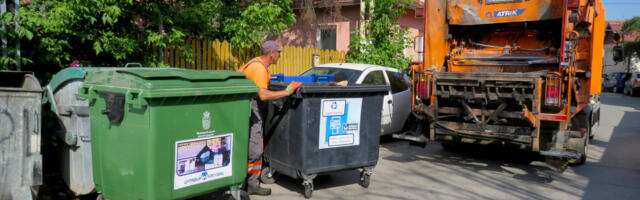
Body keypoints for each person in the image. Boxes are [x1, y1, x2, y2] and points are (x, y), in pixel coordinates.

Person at [238, 40, 302, 196]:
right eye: (278, 52)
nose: (280, 55)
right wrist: (287, 91)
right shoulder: (258, 68)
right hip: (251, 110)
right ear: (271, 54)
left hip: (245, 109)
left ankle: (247, 182)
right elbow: (263, 94)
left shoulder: (255, 64)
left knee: (251, 147)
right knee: (255, 149)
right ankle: (249, 184)